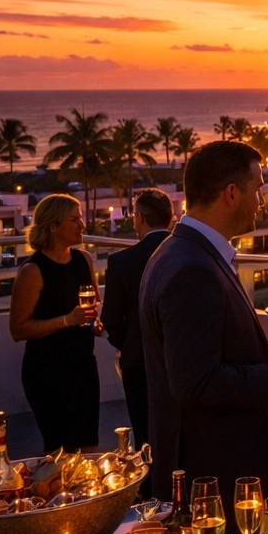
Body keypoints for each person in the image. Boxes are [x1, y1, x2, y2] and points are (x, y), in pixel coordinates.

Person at [140, 141, 268, 501]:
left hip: (207, 470)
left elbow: (200, 353)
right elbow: (196, 383)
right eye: (258, 190)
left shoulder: (175, 251)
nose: (261, 203)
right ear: (232, 194)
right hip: (214, 480)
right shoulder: (192, 269)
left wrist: (265, 354)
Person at [9, 194, 101, 453]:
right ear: (53, 226)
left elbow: (92, 313)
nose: (82, 224)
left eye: (81, 217)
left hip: (83, 364)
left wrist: (96, 324)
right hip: (47, 371)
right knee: (58, 451)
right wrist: (66, 320)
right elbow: (18, 329)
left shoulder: (85, 260)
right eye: (74, 219)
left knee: (88, 447)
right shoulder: (33, 271)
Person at [102, 188, 174, 456]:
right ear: (171, 217)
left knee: (145, 433)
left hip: (138, 361)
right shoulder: (186, 253)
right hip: (180, 357)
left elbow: (110, 318)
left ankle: (151, 490)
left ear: (139, 219)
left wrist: (129, 343)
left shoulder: (122, 262)